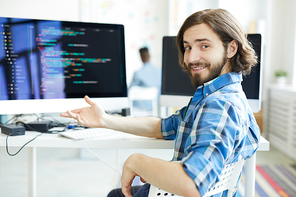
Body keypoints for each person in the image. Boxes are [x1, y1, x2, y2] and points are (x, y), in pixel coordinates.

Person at [60, 8, 260, 197]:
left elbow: (193, 183)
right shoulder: (226, 96)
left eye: (204, 46)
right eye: (187, 47)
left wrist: (136, 162)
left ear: (231, 48)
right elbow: (163, 127)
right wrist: (105, 120)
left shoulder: (218, 105)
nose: (191, 57)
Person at [129, 47, 161, 112]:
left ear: (141, 57)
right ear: (149, 56)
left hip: (138, 110)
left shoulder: (137, 73)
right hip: (155, 108)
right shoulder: (160, 71)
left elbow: (130, 91)